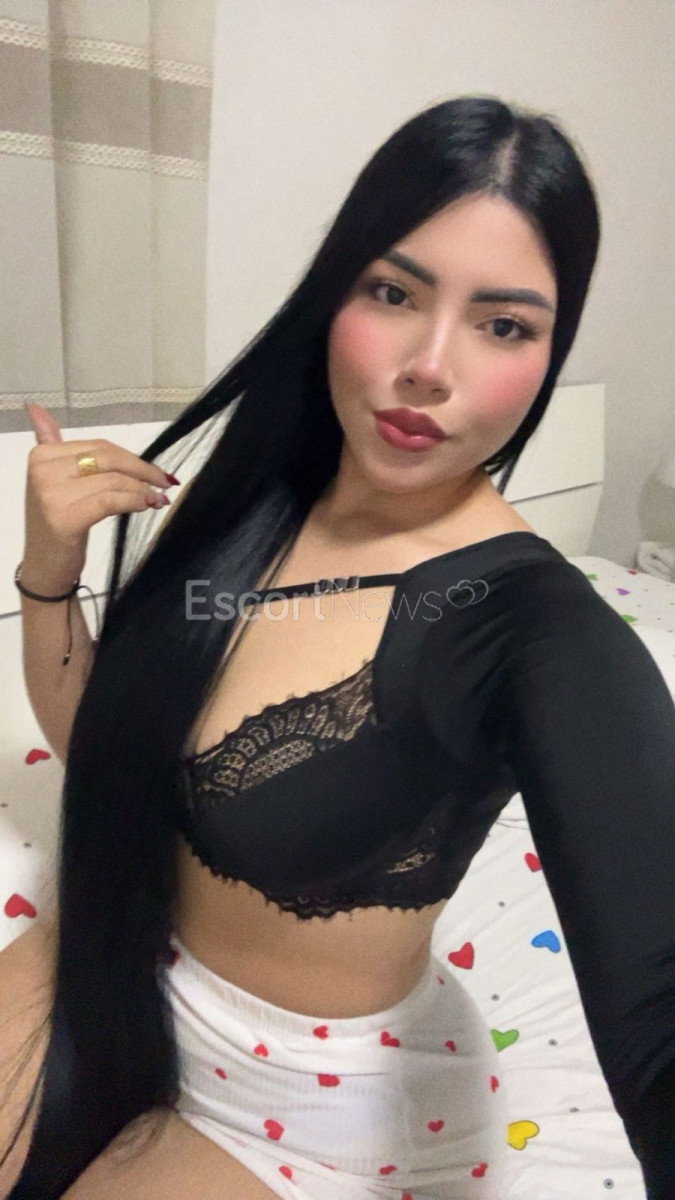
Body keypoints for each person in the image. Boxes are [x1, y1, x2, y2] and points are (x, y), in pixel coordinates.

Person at [1, 95, 673, 1199]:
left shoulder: (531, 628)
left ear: (549, 352)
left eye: (504, 325)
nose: (428, 366)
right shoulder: (251, 494)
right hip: (117, 960)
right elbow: (110, 748)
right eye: (395, 293)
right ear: (336, 293)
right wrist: (47, 572)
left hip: (303, 1107)